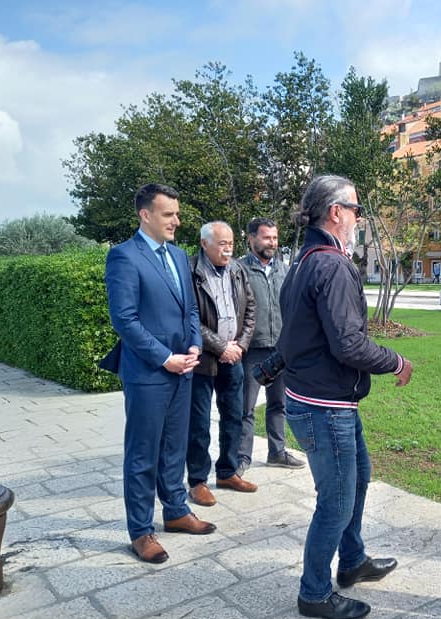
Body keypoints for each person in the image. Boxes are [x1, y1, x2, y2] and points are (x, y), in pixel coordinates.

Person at [279, 175, 414, 619]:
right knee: (336, 499)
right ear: (335, 212)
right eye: (355, 209)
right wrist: (396, 361)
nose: (359, 217)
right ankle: (314, 592)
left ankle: (352, 560)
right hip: (325, 405)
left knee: (359, 478)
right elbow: (349, 346)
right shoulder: (332, 265)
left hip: (325, 398)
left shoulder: (303, 261)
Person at [103, 183, 216, 565]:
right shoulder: (124, 257)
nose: (176, 221)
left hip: (184, 369)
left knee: (174, 448)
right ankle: (140, 530)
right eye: (168, 214)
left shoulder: (180, 256)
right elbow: (125, 320)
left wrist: (195, 345)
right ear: (145, 215)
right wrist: (165, 357)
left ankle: (176, 511)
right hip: (149, 373)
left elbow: (189, 310)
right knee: (142, 454)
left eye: (177, 214)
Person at [185, 221, 258, 504]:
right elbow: (190, 318)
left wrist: (240, 345)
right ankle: (198, 481)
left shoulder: (238, 270)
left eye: (230, 243)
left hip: (234, 358)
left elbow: (250, 308)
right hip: (203, 361)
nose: (228, 249)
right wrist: (220, 347)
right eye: (222, 244)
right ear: (205, 244)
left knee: (234, 417)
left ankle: (228, 471)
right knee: (199, 424)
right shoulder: (190, 272)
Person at [237, 218, 305, 476]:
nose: (272, 243)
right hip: (252, 350)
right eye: (267, 238)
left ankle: (277, 452)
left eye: (275, 238)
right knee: (246, 408)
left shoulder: (285, 270)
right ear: (251, 238)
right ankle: (241, 458)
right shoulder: (239, 269)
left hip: (281, 350)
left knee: (279, 404)